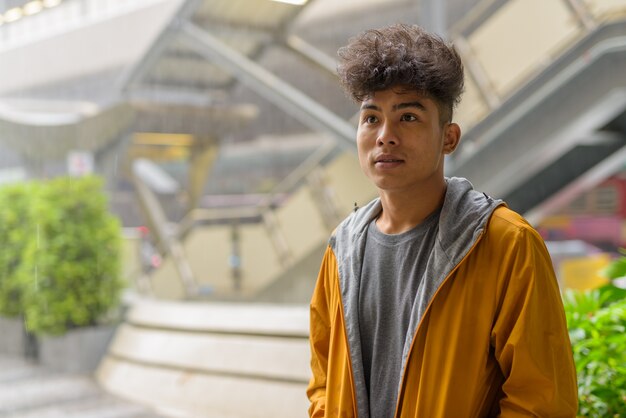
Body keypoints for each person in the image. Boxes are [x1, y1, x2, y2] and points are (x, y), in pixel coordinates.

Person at [306, 23, 578, 417]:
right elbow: (323, 383)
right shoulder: (342, 251)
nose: (385, 135)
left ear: (448, 138)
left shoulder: (506, 244)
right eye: (371, 118)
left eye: (409, 117)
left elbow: (541, 401)